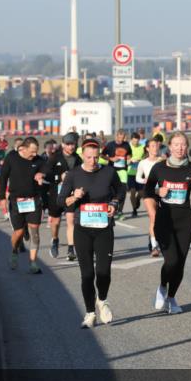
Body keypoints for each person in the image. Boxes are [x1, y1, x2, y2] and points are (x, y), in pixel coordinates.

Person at [59, 137, 126, 328]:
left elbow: (121, 191)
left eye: (96, 157)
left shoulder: (108, 172)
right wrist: (75, 197)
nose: (93, 161)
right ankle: (89, 314)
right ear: (82, 155)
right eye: (89, 157)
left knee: (103, 272)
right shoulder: (73, 175)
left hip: (104, 229)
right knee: (87, 275)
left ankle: (102, 300)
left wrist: (114, 204)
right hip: (83, 230)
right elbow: (60, 201)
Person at [142, 132, 191, 315]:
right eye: (176, 145)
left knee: (180, 264)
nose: (180, 148)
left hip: (185, 222)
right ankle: (162, 287)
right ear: (169, 147)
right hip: (164, 221)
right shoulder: (159, 168)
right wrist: (157, 191)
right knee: (172, 260)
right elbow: (146, 191)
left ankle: (171, 298)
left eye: (183, 145)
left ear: (187, 147)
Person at [1, 137, 49, 274]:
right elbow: (3, 177)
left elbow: (46, 167)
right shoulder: (12, 157)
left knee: (35, 232)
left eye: (36, 152)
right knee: (19, 232)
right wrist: (1, 197)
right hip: (16, 200)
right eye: (32, 152)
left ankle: (33, 262)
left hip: (34, 199)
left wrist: (41, 173)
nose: (34, 154)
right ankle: (14, 251)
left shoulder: (38, 160)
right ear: (23, 148)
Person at [45, 133, 81, 259]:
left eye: (73, 144)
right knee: (56, 221)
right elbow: (46, 174)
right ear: (63, 144)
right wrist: (58, 177)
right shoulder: (54, 157)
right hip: (56, 193)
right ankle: (55, 240)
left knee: (71, 220)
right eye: (68, 144)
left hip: (71, 195)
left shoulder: (77, 158)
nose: (71, 147)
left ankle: (71, 249)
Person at [135, 138, 164, 256]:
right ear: (147, 148)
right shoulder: (143, 162)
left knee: (161, 220)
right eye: (152, 146)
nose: (155, 148)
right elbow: (137, 177)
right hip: (148, 191)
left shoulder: (163, 161)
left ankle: (153, 238)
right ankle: (154, 246)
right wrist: (144, 180)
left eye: (157, 145)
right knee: (153, 216)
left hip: (161, 192)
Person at [104, 130, 132, 215]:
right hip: (112, 169)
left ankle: (120, 211)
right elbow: (102, 155)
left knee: (122, 191)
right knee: (111, 190)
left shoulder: (126, 144)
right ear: (116, 136)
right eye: (120, 137)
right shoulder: (110, 145)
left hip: (123, 170)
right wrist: (111, 159)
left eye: (123, 137)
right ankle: (111, 207)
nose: (121, 139)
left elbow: (130, 155)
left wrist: (128, 158)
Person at [126, 132, 146, 218]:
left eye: (137, 141)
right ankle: (134, 210)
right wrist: (130, 161)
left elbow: (146, 158)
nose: (135, 143)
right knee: (133, 192)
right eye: (134, 141)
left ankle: (137, 201)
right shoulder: (128, 147)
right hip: (130, 173)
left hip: (140, 173)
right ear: (131, 140)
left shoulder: (142, 147)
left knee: (141, 193)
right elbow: (125, 159)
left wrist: (140, 160)